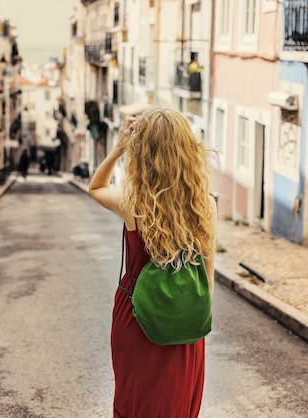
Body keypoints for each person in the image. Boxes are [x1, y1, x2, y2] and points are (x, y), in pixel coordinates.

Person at [89, 106, 217, 418]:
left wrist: (118, 148)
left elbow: (96, 187)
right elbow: (208, 281)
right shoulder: (205, 206)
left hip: (136, 319)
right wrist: (182, 314)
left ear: (142, 152)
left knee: (137, 402)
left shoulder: (133, 201)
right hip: (185, 324)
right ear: (187, 149)